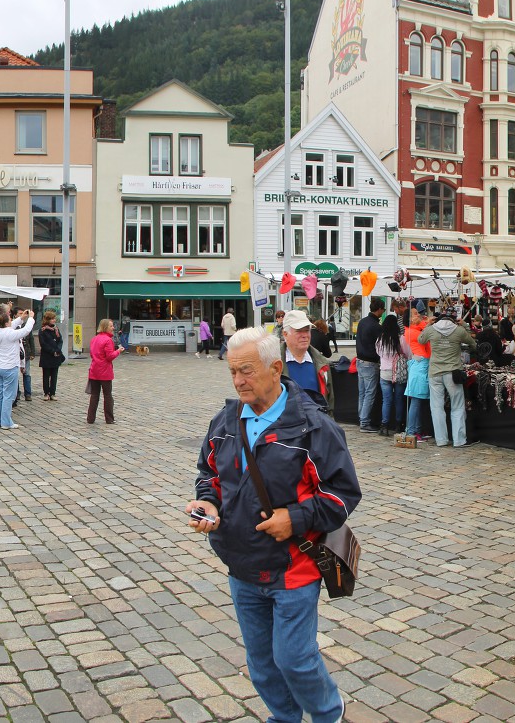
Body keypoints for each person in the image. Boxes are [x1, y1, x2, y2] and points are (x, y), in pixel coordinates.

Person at [186, 327, 360, 723]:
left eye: (246, 371)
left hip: (293, 567)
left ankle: (329, 713)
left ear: (275, 368)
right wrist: (207, 502)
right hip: (242, 563)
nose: (238, 381)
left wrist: (295, 518)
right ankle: (284, 718)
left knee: (294, 659)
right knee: (262, 664)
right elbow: (209, 474)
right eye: (232, 372)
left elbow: (343, 495)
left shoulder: (313, 427)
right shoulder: (225, 420)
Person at [419, 311, 477, 448]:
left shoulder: (431, 329)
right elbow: (472, 343)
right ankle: (459, 440)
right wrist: (465, 326)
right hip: (453, 372)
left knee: (437, 407)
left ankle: (441, 440)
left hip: (435, 372)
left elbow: (421, 340)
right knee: (457, 406)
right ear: (453, 320)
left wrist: (427, 324)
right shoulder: (458, 330)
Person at [279, 310, 334, 415]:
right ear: (285, 334)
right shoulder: (274, 364)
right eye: (299, 331)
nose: (305, 335)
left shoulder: (321, 363)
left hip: (317, 425)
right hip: (286, 426)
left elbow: (329, 402)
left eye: (307, 330)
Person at [0, 309, 35, 430]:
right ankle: (6, 422)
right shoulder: (9, 334)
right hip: (10, 367)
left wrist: (22, 318)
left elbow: (11, 326)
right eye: (9, 320)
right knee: (9, 395)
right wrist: (30, 318)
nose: (11, 321)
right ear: (5, 323)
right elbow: (25, 330)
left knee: (0, 394)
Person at [354, 298, 384, 434]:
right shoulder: (376, 326)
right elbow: (381, 346)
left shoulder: (362, 322)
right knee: (369, 393)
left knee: (362, 392)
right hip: (370, 362)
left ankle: (361, 418)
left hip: (360, 360)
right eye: (382, 310)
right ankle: (364, 422)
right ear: (379, 310)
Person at [404, 301, 431, 444]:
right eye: (415, 314)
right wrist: (426, 322)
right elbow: (427, 333)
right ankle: (412, 431)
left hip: (421, 364)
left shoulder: (414, 330)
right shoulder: (412, 332)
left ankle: (417, 430)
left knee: (418, 400)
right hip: (419, 366)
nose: (418, 315)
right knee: (416, 400)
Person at [87, 319, 124, 424]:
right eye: (111, 326)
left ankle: (90, 418)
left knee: (94, 395)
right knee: (107, 395)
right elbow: (109, 356)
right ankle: (109, 419)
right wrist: (118, 351)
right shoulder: (108, 340)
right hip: (105, 372)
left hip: (94, 370)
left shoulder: (94, 339)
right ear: (105, 327)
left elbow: (91, 354)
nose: (113, 328)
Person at [38, 310, 63, 401]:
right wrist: (52, 351)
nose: (54, 320)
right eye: (52, 319)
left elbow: (60, 340)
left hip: (56, 356)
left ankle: (53, 393)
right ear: (47, 320)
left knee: (54, 375)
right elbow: (43, 344)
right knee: (46, 375)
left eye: (54, 318)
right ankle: (46, 393)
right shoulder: (43, 330)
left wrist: (58, 350)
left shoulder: (56, 329)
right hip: (47, 356)